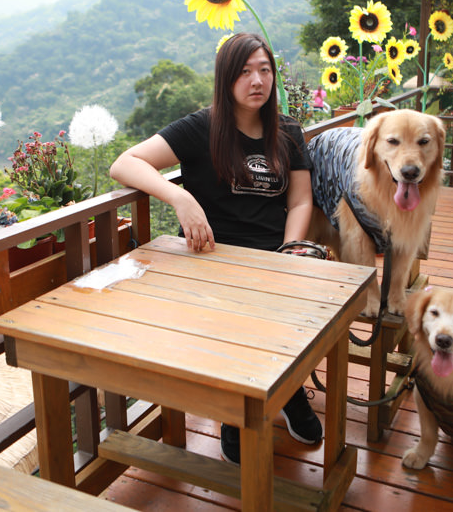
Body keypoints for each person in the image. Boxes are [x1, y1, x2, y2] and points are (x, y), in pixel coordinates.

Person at [109, 32, 321, 465]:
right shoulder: (200, 128)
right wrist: (181, 198)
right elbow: (124, 163)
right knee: (238, 325)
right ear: (225, 79)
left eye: (264, 70)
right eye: (244, 72)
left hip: (274, 256)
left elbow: (300, 200)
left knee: (288, 317)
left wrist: (291, 248)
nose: (256, 80)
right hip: (213, 260)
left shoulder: (288, 133)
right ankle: (235, 412)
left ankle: (291, 391)